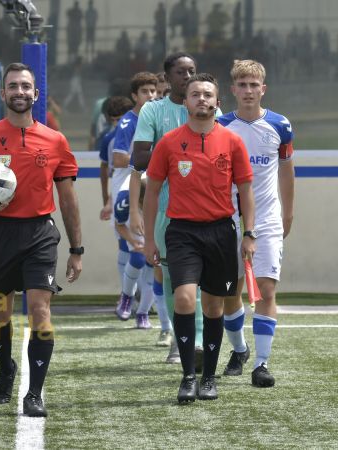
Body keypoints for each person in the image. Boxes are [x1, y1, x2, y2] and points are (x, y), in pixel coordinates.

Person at [0, 63, 83, 418]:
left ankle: (35, 393)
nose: (20, 92)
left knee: (40, 310)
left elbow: (69, 199)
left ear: (35, 94)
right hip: (0, 234)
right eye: (13, 86)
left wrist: (76, 249)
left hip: (40, 233)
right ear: (3, 93)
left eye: (26, 86)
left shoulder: (55, 140)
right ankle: (6, 368)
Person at [143, 73, 255, 403]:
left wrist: (249, 233)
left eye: (208, 94)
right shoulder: (169, 142)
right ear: (186, 101)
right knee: (183, 299)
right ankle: (188, 376)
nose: (202, 98)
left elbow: (246, 191)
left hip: (221, 231)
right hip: (181, 232)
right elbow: (151, 193)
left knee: (213, 305)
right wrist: (149, 239)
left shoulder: (232, 142)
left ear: (217, 103)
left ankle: (208, 377)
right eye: (195, 94)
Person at [130, 53, 215, 367]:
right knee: (171, 276)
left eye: (193, 70)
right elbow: (139, 159)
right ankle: (180, 342)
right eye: (182, 72)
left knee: (207, 280)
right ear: (167, 77)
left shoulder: (211, 110)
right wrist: (178, 154)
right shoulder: (154, 110)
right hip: (167, 208)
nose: (189, 75)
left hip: (208, 207)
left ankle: (202, 340)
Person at [218, 60, 294, 388]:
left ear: (263, 89)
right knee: (229, 293)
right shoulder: (219, 127)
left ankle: (262, 364)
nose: (248, 91)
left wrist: (287, 214)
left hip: (266, 220)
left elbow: (286, 172)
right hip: (225, 222)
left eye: (254, 85)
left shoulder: (281, 125)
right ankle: (240, 349)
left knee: (265, 289)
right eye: (242, 85)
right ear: (232, 89)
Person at [111, 72, 173, 342]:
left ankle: (144, 312)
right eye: (145, 92)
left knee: (154, 261)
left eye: (154, 91)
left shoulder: (164, 115)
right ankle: (126, 296)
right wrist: (152, 158)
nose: (151, 96)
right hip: (130, 186)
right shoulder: (128, 121)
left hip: (158, 185)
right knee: (134, 253)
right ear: (134, 96)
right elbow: (118, 158)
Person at [96, 97, 133, 298]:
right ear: (110, 120)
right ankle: (128, 295)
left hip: (144, 195)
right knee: (126, 246)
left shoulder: (143, 133)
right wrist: (107, 202)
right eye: (116, 120)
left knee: (143, 249)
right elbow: (106, 171)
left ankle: (144, 298)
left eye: (123, 119)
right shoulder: (109, 140)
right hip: (121, 196)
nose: (120, 124)